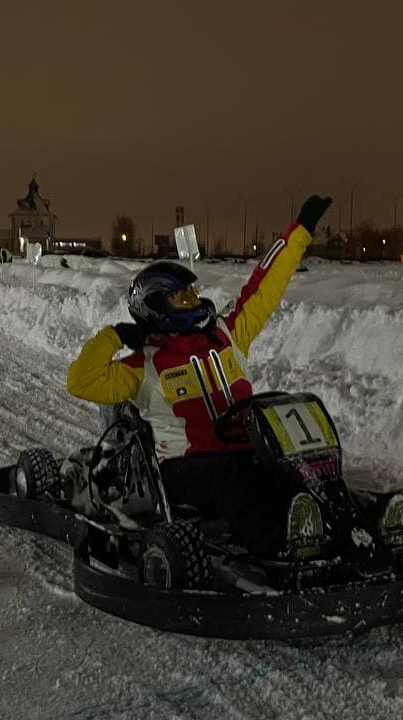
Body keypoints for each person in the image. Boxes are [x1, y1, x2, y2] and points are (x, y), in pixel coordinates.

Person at [66, 195, 333, 557]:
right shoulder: (142, 365)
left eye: (192, 292)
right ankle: (281, 551)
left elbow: (266, 284)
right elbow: (80, 381)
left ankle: (341, 529)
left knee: (293, 468)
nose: (194, 298)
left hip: (242, 450)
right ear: (157, 307)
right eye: (182, 296)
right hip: (184, 470)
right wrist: (113, 337)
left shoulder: (228, 334)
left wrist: (301, 230)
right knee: (236, 481)